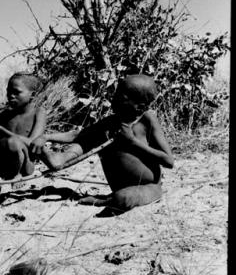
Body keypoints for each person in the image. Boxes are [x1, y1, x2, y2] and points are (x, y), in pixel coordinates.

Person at [31, 74, 174, 215]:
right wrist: (46, 137)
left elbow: (168, 161)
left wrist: (132, 142)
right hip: (119, 187)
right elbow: (77, 135)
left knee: (123, 198)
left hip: (149, 187)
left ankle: (106, 200)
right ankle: (60, 160)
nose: (113, 100)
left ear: (140, 107)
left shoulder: (147, 120)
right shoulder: (111, 122)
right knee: (92, 136)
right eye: (115, 94)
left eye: (121, 98)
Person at [0, 72, 47, 181]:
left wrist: (1, 129)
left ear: (33, 95)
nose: (11, 96)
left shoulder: (38, 113)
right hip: (3, 162)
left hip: (25, 164)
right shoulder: (5, 114)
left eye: (16, 92)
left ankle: (18, 176)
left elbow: (32, 142)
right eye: (9, 92)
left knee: (13, 142)